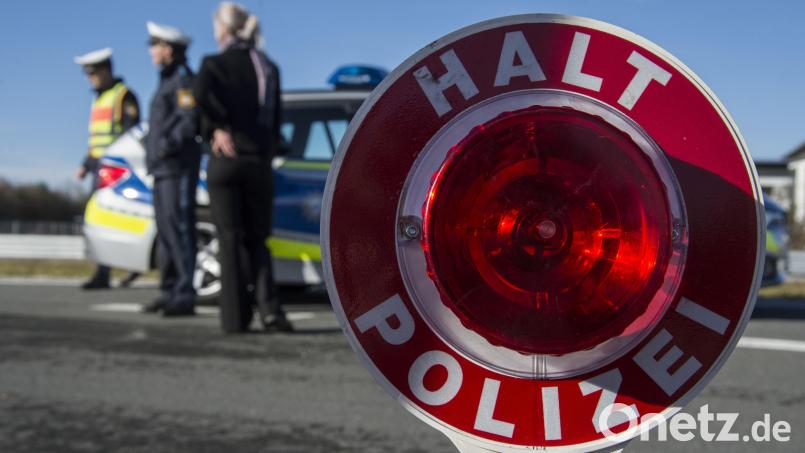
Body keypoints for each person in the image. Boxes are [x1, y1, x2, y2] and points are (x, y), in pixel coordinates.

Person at [194, 2, 292, 333]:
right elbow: (276, 120)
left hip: (226, 162)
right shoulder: (268, 67)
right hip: (259, 163)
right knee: (258, 239)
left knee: (230, 238)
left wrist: (215, 127)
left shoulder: (214, 64)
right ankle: (271, 311)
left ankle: (235, 318)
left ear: (223, 29)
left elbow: (199, 100)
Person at [141, 22, 201, 316]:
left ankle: (185, 293)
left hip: (176, 166)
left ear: (169, 48)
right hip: (162, 168)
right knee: (165, 232)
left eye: (155, 45)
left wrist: (164, 146)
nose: (151, 51)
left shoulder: (182, 79)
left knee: (179, 229)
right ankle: (168, 289)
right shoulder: (166, 80)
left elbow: (189, 121)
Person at [74, 48, 141, 290]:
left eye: (92, 73)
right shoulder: (99, 98)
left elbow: (130, 134)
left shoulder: (123, 96)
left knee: (120, 218)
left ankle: (132, 264)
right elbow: (97, 138)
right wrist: (85, 164)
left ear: (105, 70)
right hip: (98, 167)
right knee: (99, 219)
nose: (89, 78)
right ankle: (103, 272)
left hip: (117, 169)